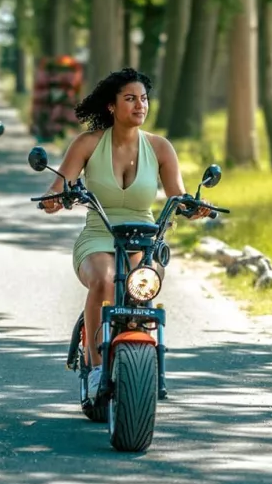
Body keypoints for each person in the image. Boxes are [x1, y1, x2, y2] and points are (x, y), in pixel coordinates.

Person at [36, 67, 204, 399]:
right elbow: (58, 187)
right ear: (112, 106)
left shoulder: (160, 148)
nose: (140, 105)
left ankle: (142, 357)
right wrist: (55, 199)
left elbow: (178, 197)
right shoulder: (88, 143)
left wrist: (193, 207)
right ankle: (98, 368)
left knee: (143, 288)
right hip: (99, 233)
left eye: (143, 99)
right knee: (104, 278)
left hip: (144, 238)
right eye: (130, 99)